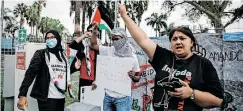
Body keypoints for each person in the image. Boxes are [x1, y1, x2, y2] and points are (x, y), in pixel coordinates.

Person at [118, 4, 224, 111]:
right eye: (174, 39)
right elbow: (143, 40)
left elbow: (218, 100)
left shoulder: (203, 64)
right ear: (171, 44)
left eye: (182, 38)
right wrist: (124, 15)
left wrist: (191, 93)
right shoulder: (163, 57)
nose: (178, 41)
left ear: (192, 42)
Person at [17, 30, 73, 111]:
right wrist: (22, 94)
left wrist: (74, 67)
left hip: (61, 97)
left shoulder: (63, 56)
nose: (49, 40)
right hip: (47, 98)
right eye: (47, 38)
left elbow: (63, 71)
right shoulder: (41, 54)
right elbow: (30, 73)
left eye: (52, 37)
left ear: (58, 38)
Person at [90, 24, 141, 111]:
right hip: (108, 96)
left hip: (123, 98)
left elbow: (138, 77)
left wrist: (134, 76)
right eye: (112, 39)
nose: (114, 42)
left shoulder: (132, 57)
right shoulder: (109, 50)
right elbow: (93, 45)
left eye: (116, 39)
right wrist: (94, 32)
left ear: (124, 38)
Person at [69, 24, 99, 100]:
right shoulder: (82, 45)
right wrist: (84, 36)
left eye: (92, 31)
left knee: (93, 100)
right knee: (82, 99)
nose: (90, 33)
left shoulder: (99, 46)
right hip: (83, 76)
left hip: (94, 78)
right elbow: (72, 45)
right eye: (89, 31)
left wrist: (96, 79)